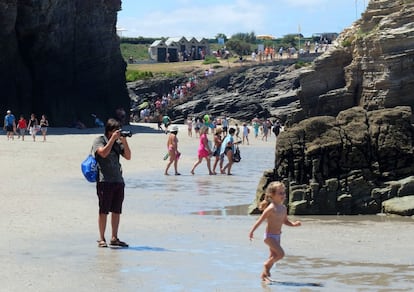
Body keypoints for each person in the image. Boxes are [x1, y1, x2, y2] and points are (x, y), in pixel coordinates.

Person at [248, 181, 301, 282]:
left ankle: (264, 276)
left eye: (284, 193)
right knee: (280, 254)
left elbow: (285, 221)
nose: (283, 195)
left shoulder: (283, 208)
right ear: (272, 195)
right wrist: (252, 231)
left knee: (273, 256)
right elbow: (260, 220)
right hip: (269, 237)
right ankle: (266, 265)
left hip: (277, 236)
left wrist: (294, 224)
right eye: (280, 193)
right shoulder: (271, 208)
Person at [93, 118, 131, 248]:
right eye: (116, 130)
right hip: (105, 180)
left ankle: (114, 237)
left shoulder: (118, 142)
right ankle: (101, 238)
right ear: (109, 131)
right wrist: (112, 140)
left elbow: (128, 156)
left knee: (116, 210)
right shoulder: (99, 140)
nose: (118, 133)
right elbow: (103, 153)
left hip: (118, 180)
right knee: (103, 210)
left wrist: (124, 141)